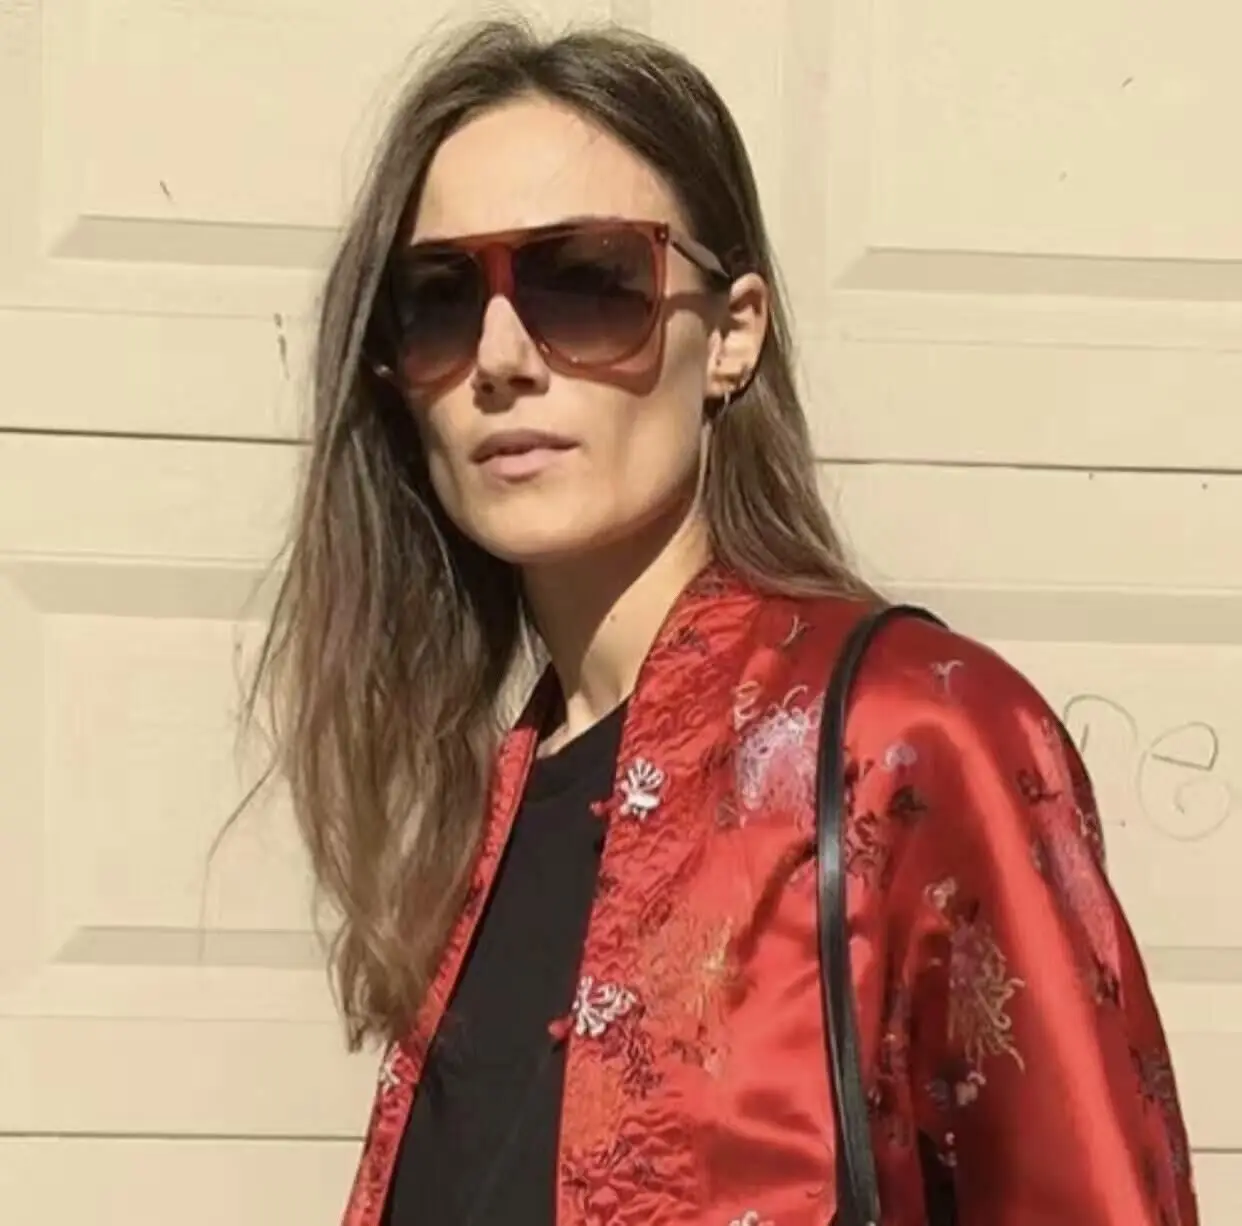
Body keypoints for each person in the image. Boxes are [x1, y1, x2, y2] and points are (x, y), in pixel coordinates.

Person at [247, 16, 1200, 1226]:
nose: (500, 355)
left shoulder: (911, 738)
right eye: (438, 299)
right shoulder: (478, 816)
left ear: (730, 334)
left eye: (585, 281)